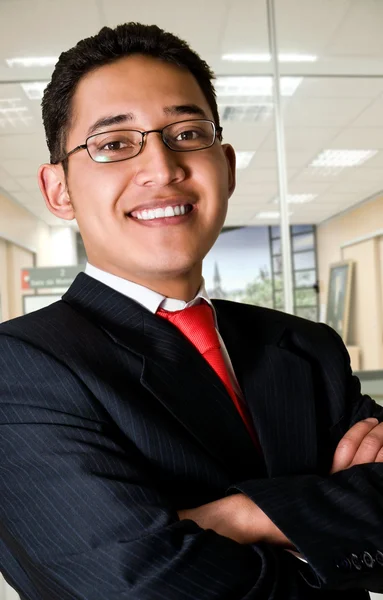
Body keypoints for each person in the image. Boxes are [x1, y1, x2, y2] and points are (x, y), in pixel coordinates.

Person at [0, 22, 383, 600]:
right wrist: (323, 522)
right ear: (60, 191)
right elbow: (136, 585)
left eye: (186, 133)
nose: (162, 167)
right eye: (114, 143)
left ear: (225, 167)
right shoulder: (21, 364)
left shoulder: (308, 347)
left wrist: (236, 517)